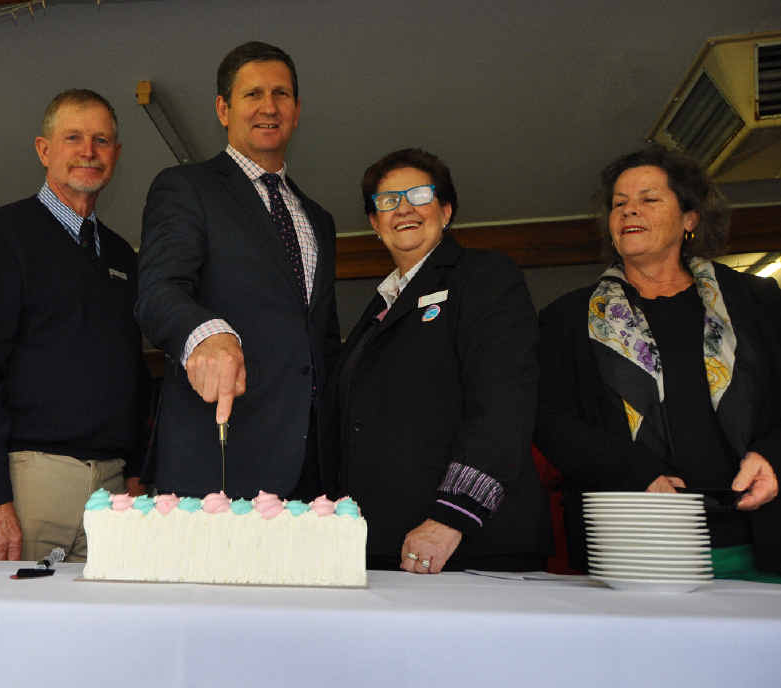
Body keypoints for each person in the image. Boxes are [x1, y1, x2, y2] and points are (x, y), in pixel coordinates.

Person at [535, 145, 781, 579]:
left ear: (690, 218)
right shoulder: (567, 319)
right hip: (632, 539)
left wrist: (773, 455)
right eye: (619, 204)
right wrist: (639, 472)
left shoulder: (757, 302)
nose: (630, 212)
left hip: (756, 534)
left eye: (648, 200)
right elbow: (551, 421)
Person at [320, 148, 550, 573]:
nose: (403, 208)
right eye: (387, 201)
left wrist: (452, 516)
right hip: (386, 547)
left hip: (467, 545)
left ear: (445, 210)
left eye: (418, 195)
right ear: (374, 223)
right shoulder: (377, 308)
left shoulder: (484, 277)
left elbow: (504, 404)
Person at [0, 89, 150, 562]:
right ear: (44, 150)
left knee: (100, 636)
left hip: (112, 494)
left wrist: (137, 473)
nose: (88, 151)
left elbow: (132, 371)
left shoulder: (122, 256)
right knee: (3, 635)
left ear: (116, 154)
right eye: (73, 137)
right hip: (23, 485)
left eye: (102, 140)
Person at [136, 41, 340, 499]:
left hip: (313, 470)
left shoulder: (319, 220)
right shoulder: (186, 187)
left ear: (297, 108)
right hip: (219, 461)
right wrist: (206, 333)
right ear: (223, 108)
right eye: (252, 95)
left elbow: (322, 337)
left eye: (281, 94)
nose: (269, 106)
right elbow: (157, 291)